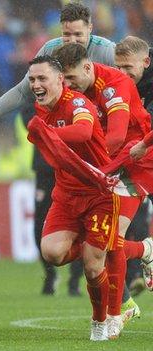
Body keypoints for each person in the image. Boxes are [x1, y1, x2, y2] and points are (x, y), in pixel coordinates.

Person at [0, 2, 114, 297]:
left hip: (100, 149)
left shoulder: (107, 53)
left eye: (78, 34)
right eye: (66, 35)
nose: (72, 41)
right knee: (49, 228)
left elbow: (128, 90)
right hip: (56, 154)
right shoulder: (51, 52)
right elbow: (23, 92)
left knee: (121, 221)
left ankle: (125, 264)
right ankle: (53, 275)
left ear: (91, 29)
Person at [53, 43, 153, 338]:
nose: (67, 86)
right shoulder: (75, 87)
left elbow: (117, 136)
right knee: (102, 241)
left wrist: (88, 166)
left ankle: (118, 310)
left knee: (110, 240)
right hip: (107, 164)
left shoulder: (114, 85)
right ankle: (146, 251)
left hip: (135, 162)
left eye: (70, 79)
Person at [25, 55, 116, 341]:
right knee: (51, 253)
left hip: (99, 193)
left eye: (42, 79)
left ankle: (99, 321)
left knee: (92, 267)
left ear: (59, 80)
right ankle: (92, 243)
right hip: (66, 195)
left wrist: (48, 133)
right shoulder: (40, 111)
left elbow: (83, 130)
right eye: (32, 80)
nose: (36, 84)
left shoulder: (76, 102)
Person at [114, 36, 153, 295]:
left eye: (129, 67)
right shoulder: (115, 84)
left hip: (143, 154)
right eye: (119, 67)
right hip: (136, 161)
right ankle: (141, 265)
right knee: (117, 230)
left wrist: (141, 144)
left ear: (146, 62)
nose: (123, 73)